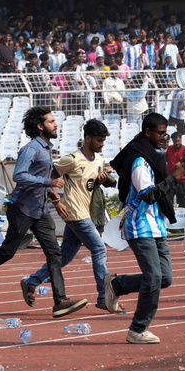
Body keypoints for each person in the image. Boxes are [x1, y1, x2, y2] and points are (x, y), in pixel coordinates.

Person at [0, 106, 88, 318]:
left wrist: (52, 194)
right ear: (40, 126)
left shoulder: (46, 148)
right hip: (23, 209)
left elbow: (44, 174)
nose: (56, 124)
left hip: (41, 211)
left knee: (55, 253)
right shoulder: (31, 149)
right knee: (7, 252)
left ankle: (60, 301)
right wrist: (48, 181)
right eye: (51, 121)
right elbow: (19, 175)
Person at [103, 113, 185, 344]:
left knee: (165, 278)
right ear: (147, 132)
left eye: (166, 133)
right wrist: (174, 177)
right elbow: (149, 195)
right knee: (153, 278)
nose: (164, 138)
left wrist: (174, 176)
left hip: (157, 225)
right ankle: (137, 329)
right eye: (160, 133)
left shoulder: (155, 156)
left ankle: (117, 284)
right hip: (139, 226)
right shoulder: (139, 161)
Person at [21, 119, 121, 312]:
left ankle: (31, 281)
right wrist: (56, 200)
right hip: (75, 213)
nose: (102, 144)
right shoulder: (71, 159)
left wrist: (103, 179)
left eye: (104, 140)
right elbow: (48, 177)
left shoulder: (99, 160)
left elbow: (100, 182)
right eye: (99, 140)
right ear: (88, 138)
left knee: (64, 258)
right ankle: (103, 297)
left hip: (87, 213)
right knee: (99, 250)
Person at [166, 131, 185, 207]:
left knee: (182, 202)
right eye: (175, 141)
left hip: (182, 180)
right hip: (171, 179)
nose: (177, 143)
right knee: (168, 202)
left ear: (181, 140)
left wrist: (180, 168)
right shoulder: (170, 148)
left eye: (178, 141)